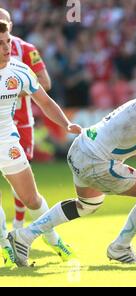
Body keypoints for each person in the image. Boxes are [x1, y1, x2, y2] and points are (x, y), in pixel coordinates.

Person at [8, 94, 136, 265]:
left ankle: (25, 235)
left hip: (81, 145)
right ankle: (120, 247)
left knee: (87, 204)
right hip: (97, 161)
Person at [0, 20, 81, 267]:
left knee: (32, 199)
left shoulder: (19, 70)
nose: (6, 48)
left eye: (7, 42)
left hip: (6, 140)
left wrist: (66, 124)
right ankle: (5, 246)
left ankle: (52, 239)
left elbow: (44, 101)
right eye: (0, 44)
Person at [0, 8, 52, 231]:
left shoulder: (26, 49)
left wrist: (13, 89)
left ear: (10, 25)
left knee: (21, 177)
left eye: (4, 22)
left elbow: (45, 83)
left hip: (21, 121)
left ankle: (19, 223)